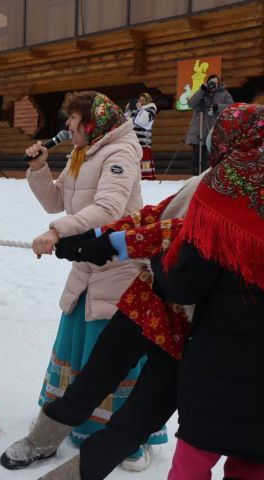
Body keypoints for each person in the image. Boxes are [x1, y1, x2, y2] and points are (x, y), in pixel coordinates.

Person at [28, 103, 264, 480]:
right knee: (95, 375)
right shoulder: (221, 179)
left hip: (190, 334)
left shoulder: (238, 197)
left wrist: (111, 243)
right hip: (151, 304)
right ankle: (44, 437)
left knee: (136, 418)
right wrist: (98, 237)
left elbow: (180, 239)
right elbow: (162, 213)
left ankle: (74, 473)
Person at [1, 91, 168, 473]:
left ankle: (126, 439)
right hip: (88, 263)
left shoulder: (121, 152)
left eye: (73, 119)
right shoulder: (86, 152)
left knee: (109, 353)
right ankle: (72, 423)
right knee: (77, 344)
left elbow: (109, 208)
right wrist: (40, 169)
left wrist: (57, 232)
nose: (67, 127)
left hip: (120, 267)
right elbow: (56, 201)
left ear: (92, 122)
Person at [155, 103, 264, 480]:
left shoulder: (221, 190)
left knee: (192, 464)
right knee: (253, 466)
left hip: (219, 363)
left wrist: (158, 261)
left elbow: (186, 284)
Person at [185, 74, 233, 174]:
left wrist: (218, 107)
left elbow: (232, 107)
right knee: (197, 156)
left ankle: (209, 177)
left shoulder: (224, 93)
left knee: (211, 156)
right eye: (211, 82)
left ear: (219, 84)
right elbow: (190, 104)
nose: (213, 85)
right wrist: (201, 90)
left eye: (215, 83)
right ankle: (195, 178)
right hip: (199, 129)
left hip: (214, 129)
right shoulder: (202, 92)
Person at [126, 93, 157, 180]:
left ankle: (146, 177)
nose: (141, 102)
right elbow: (126, 121)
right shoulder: (138, 109)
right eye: (140, 100)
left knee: (144, 158)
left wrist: (141, 110)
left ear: (148, 101)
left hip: (144, 140)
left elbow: (144, 120)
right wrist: (128, 110)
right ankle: (135, 176)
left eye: (143, 101)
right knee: (135, 158)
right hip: (134, 140)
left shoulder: (151, 108)